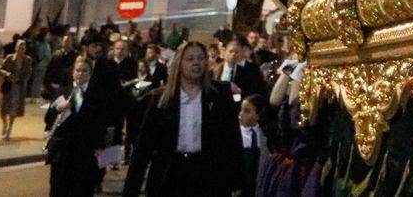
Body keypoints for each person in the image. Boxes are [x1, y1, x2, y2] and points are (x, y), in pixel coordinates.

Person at [122, 41, 240, 197]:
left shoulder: (218, 95)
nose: (196, 63)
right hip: (170, 175)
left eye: (200, 58)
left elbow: (232, 140)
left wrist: (236, 181)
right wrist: (131, 190)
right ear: (179, 64)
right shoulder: (161, 99)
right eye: (190, 59)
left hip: (206, 175)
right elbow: (143, 147)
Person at [46, 56, 108, 197]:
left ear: (90, 73)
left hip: (85, 149)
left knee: (82, 187)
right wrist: (57, 108)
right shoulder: (63, 91)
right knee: (59, 187)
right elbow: (48, 118)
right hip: (62, 149)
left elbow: (101, 121)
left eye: (84, 71)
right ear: (73, 72)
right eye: (77, 70)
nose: (80, 74)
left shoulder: (97, 94)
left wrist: (100, 145)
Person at [0, 37, 32, 140]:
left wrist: (21, 79)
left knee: (14, 109)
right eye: (19, 47)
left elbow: (28, 73)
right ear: (16, 48)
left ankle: (10, 127)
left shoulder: (27, 60)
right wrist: (7, 74)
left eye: (23, 48)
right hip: (8, 86)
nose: (21, 50)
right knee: (4, 109)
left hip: (18, 87)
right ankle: (5, 123)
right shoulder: (9, 58)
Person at [236, 96, 268, 197]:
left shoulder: (266, 136)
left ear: (257, 115)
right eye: (241, 109)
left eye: (247, 111)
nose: (241, 114)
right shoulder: (234, 135)